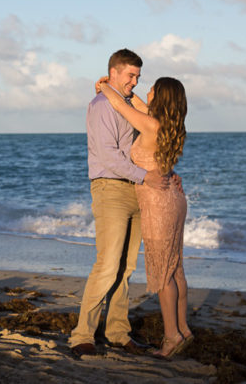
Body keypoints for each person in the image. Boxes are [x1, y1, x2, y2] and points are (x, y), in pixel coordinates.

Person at [69, 49, 171, 358]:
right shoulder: (102, 106)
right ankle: (82, 335)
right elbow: (109, 157)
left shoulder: (126, 104)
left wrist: (152, 177)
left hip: (136, 189)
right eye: (130, 76)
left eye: (138, 77)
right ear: (113, 73)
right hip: (111, 189)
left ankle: (116, 332)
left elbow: (148, 136)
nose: (135, 82)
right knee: (108, 264)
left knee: (126, 268)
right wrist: (145, 177)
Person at [97, 75, 193, 359]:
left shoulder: (151, 124)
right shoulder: (170, 125)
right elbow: (134, 102)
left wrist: (103, 86)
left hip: (158, 204)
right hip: (175, 200)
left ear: (161, 97)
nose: (146, 90)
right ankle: (184, 328)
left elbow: (121, 106)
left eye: (152, 89)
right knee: (175, 269)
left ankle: (172, 336)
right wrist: (123, 89)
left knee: (162, 274)